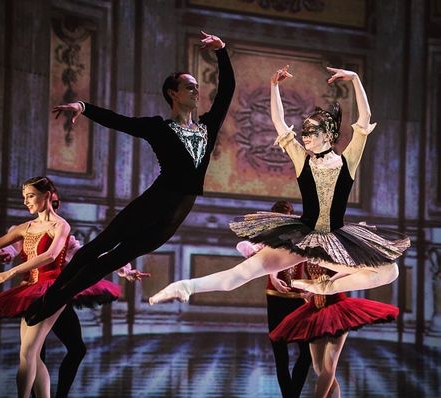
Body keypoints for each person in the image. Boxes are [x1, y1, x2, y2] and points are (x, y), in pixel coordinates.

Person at [24, 31, 235, 327]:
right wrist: (83, 107)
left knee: (112, 260)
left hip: (177, 214)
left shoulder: (207, 127)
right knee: (98, 247)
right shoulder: (158, 128)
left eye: (197, 87)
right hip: (156, 201)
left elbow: (226, 92)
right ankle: (50, 298)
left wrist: (222, 51)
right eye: (189, 87)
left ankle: (55, 299)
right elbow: (119, 121)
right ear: (173, 93)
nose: (196, 92)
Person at [149, 65, 410, 305]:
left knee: (389, 270)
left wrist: (354, 79)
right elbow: (280, 124)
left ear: (329, 135)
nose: (305, 136)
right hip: (303, 235)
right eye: (304, 131)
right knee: (242, 273)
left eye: (311, 131)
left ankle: (323, 287)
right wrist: (274, 87)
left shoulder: (347, 161)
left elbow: (364, 121)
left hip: (336, 239)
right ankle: (185, 285)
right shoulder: (302, 160)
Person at [0, 177, 121, 398]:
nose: (26, 201)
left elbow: (50, 255)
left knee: (28, 352)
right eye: (24, 196)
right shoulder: (25, 228)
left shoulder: (60, 225)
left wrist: (10, 272)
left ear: (47, 194)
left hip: (53, 290)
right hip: (30, 290)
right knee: (31, 354)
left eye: (30, 195)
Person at [0, 215, 148, 398]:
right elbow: (11, 246)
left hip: (56, 293)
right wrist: (5, 253)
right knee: (35, 353)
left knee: (74, 348)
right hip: (34, 293)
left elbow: (92, 256)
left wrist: (125, 270)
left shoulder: (64, 235)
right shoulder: (25, 231)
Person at [269, 263, 399, 398]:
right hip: (315, 309)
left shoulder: (333, 252)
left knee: (329, 366)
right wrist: (313, 289)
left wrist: (327, 284)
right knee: (317, 367)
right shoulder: (308, 252)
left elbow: (349, 270)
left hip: (336, 308)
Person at [237, 200, 311, 398]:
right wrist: (272, 275)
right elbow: (246, 249)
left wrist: (310, 287)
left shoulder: (301, 235)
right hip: (276, 298)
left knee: (305, 354)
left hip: (299, 299)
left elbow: (309, 260)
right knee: (281, 356)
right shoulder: (267, 236)